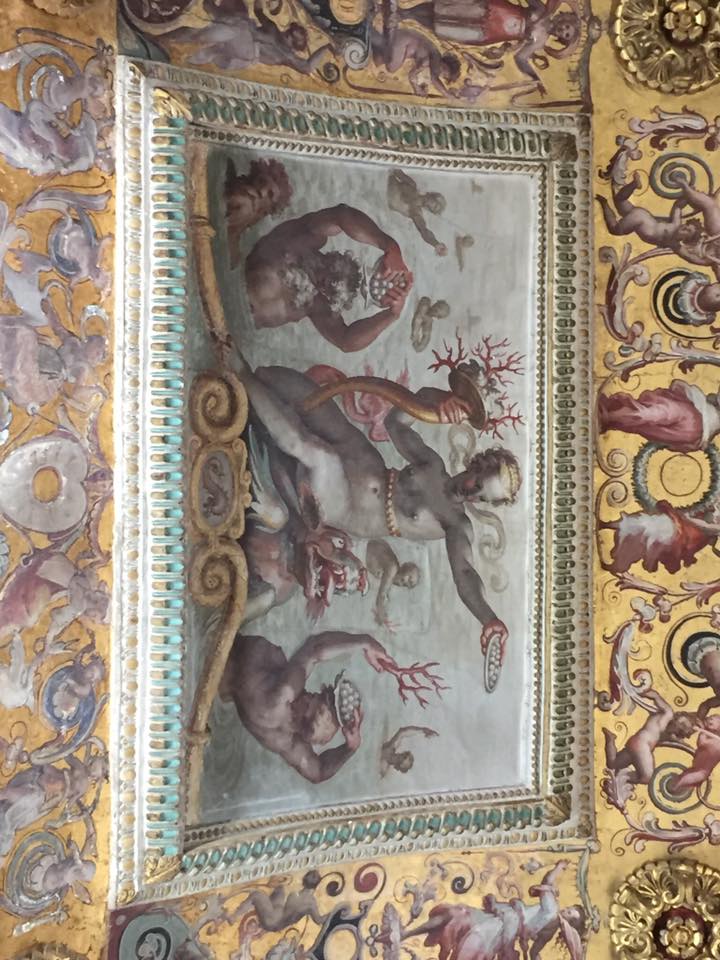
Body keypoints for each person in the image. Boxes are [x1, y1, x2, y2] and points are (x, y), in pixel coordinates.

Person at [232, 356, 521, 657]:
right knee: (297, 389)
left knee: (315, 454)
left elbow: (465, 574)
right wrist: (442, 402)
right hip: (361, 456)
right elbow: (397, 422)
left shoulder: (456, 525)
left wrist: (488, 617)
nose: (472, 493)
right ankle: (253, 375)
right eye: (478, 483)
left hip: (346, 504)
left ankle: (241, 373)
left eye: (482, 497)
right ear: (476, 466)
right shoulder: (433, 465)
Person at [219, 630, 389, 782]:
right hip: (225, 665)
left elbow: (315, 648)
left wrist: (364, 641)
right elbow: (319, 771)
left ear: (309, 713)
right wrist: (350, 747)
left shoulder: (283, 696)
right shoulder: (289, 743)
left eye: (315, 698)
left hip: (221, 642)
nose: (310, 694)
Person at [244, 204, 413, 351]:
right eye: (329, 276)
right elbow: (341, 215)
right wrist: (390, 247)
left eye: (330, 290)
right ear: (330, 260)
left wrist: (392, 314)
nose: (321, 285)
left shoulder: (315, 304)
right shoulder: (306, 238)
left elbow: (346, 342)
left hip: (239, 324)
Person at [397, 0, 581, 95]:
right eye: (567, 27)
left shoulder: (540, 41)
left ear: (561, 40)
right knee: (449, 8)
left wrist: (535, 78)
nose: (563, 31)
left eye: (566, 35)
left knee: (446, 28)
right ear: (564, 18)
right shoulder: (542, 10)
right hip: (493, 10)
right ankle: (406, 12)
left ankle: (407, 17)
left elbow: (520, 58)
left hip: (491, 32)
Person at [598, 379, 720, 453]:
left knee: (648, 414)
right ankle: (611, 419)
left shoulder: (697, 412)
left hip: (693, 416)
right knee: (646, 427)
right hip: (695, 435)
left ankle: (610, 416)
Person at [603, 690, 694, 787]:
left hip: (635, 743)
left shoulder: (669, 732)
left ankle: (610, 739)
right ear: (677, 717)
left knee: (613, 764)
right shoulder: (668, 713)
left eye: (682, 728)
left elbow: (678, 741)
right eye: (681, 723)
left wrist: (688, 746)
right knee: (646, 777)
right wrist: (639, 691)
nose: (678, 726)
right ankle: (622, 777)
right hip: (642, 746)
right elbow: (656, 696)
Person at [225, 157, 293, 266]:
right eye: (262, 181)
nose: (262, 191)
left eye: (270, 194)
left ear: (262, 214)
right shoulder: (224, 175)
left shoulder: (234, 256)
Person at [387, 169, 448, 256]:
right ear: (432, 195)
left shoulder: (416, 212)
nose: (432, 204)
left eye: (434, 207)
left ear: (431, 210)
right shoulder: (412, 185)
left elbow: (424, 230)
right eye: (434, 202)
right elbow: (395, 171)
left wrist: (435, 243)